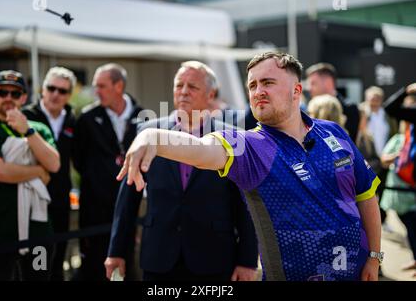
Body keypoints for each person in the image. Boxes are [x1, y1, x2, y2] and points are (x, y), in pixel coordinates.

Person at [117, 52, 383, 281]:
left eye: (267, 82)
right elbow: (202, 150)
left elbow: (365, 194)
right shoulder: (250, 145)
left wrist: (374, 256)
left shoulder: (333, 132)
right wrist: (152, 136)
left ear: (296, 91)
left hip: (357, 271)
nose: (258, 92)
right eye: (252, 85)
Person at [104, 61, 258, 281]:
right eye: (179, 85)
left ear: (211, 93)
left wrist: (247, 260)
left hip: (214, 258)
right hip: (159, 257)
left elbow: (245, 203)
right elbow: (128, 196)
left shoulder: (233, 136)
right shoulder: (148, 131)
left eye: (192, 86)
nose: (184, 92)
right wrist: (116, 251)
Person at [0, 70, 60, 280]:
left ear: (24, 98)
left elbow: (53, 164)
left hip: (37, 231)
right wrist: (37, 170)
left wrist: (27, 131)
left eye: (15, 93)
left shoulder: (38, 129)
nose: (8, 97)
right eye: (2, 92)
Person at [72, 63, 143, 281]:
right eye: (96, 86)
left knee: (129, 268)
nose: (97, 92)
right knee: (94, 267)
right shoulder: (87, 118)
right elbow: (79, 160)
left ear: (118, 86)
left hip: (133, 207)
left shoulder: (144, 117)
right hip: (95, 211)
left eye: (102, 86)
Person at [22, 66, 76, 281]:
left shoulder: (72, 120)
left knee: (57, 261)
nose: (55, 94)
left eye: (62, 91)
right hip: (32, 201)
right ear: (42, 89)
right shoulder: (26, 116)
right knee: (36, 264)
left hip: (61, 201)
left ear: (68, 95)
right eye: (51, 88)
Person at [380, 105, 416, 276]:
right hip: (399, 193)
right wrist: (398, 156)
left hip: (411, 193)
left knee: (412, 229)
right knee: (410, 229)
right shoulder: (398, 139)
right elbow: (384, 160)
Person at [306, 63, 360, 142]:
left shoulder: (349, 108)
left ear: (328, 82)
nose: (309, 88)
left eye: (313, 83)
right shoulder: (309, 107)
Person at [362, 86, 397, 156]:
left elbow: (394, 134)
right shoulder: (361, 114)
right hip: (368, 157)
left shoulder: (388, 115)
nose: (374, 102)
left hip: (386, 156)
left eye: (377, 99)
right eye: (372, 99)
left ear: (381, 100)